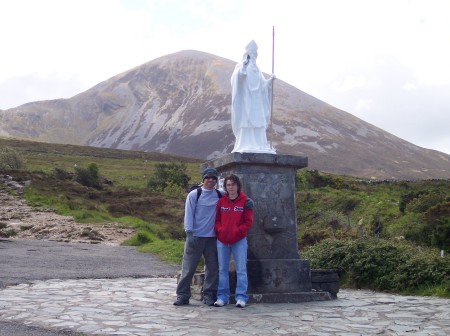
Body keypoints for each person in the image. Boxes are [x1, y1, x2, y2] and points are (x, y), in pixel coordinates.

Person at [173, 167, 222, 306]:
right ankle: (182, 295)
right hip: (195, 236)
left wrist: (247, 202)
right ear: (203, 179)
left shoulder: (220, 194)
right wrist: (189, 233)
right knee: (188, 268)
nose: (211, 180)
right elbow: (188, 214)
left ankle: (209, 295)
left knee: (213, 268)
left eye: (213, 178)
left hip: (213, 238)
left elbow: (235, 197)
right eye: (208, 178)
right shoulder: (195, 194)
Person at [214, 174, 254, 308]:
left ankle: (241, 297)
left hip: (239, 240)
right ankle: (222, 297)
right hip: (222, 240)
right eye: (228, 185)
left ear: (238, 185)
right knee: (222, 269)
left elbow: (249, 221)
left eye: (233, 184)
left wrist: (239, 231)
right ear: (225, 187)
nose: (231, 187)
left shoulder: (245, 201)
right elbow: (217, 219)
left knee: (241, 269)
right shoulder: (221, 201)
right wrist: (220, 229)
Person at [231, 40, 276, 154]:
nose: (254, 56)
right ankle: (247, 143)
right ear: (247, 54)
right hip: (246, 100)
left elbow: (263, 86)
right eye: (252, 54)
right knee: (247, 121)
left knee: (259, 121)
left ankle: (260, 144)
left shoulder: (258, 70)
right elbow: (236, 79)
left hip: (257, 101)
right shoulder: (241, 66)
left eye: (256, 54)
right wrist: (243, 70)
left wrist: (270, 81)